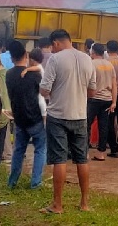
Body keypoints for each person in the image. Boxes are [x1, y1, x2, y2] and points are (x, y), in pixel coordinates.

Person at [39, 29, 96, 214]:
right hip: (80, 115)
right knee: (82, 159)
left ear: (55, 43)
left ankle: (57, 205)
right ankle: (85, 203)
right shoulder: (88, 59)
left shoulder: (55, 59)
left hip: (58, 115)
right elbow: (92, 91)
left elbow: (44, 90)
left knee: (59, 159)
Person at [6, 40, 47, 189]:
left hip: (19, 119)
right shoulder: (35, 75)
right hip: (35, 118)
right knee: (40, 149)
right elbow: (42, 95)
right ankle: (35, 183)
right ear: (26, 55)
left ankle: (12, 182)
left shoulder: (9, 75)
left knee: (18, 150)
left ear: (11, 58)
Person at [87, 43, 117, 161]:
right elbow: (114, 85)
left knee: (86, 125)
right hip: (107, 99)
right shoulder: (110, 65)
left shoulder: (91, 63)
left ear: (93, 52)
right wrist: (114, 102)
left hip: (93, 99)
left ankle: (84, 152)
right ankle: (101, 153)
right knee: (103, 126)